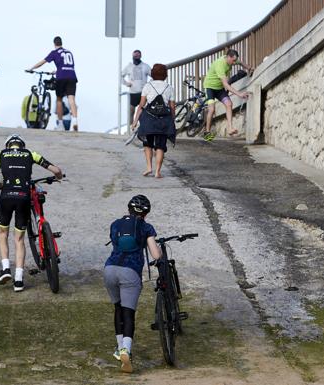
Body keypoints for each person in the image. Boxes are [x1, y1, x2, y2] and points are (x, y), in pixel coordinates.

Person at [0, 134, 63, 292]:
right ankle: (19, 280)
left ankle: (6, 269)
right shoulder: (31, 154)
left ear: (8, 146)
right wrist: (58, 176)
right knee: (19, 239)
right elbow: (56, 170)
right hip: (24, 196)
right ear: (22, 145)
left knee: (2, 234)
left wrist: (2, 185)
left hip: (7, 196)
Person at [104, 195, 161, 373]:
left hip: (110, 269)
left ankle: (119, 348)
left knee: (118, 309)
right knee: (129, 313)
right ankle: (126, 350)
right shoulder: (145, 227)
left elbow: (116, 244)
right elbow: (155, 255)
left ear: (128, 209)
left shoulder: (115, 224)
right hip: (130, 272)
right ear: (146, 213)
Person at [131, 64, 176, 179]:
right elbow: (172, 107)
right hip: (163, 120)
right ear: (165, 75)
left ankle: (149, 167)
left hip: (148, 119)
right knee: (160, 146)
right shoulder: (169, 88)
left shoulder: (147, 86)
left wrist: (135, 121)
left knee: (147, 144)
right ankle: (157, 172)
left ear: (153, 74)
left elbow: (141, 105)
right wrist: (172, 120)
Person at [26, 36, 79, 131]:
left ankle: (60, 124)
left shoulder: (54, 53)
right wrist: (56, 71)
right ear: (61, 43)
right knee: (71, 99)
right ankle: (75, 122)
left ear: (54, 44)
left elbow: (42, 62)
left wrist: (32, 68)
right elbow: (66, 65)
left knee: (59, 100)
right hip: (72, 76)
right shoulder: (69, 52)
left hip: (61, 77)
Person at [202, 49, 252, 141]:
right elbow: (226, 85)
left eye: (234, 60)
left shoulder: (232, 59)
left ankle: (230, 128)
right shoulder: (220, 64)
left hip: (219, 89)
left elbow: (240, 62)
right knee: (212, 109)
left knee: (229, 104)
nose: (233, 63)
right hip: (210, 88)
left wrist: (248, 67)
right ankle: (207, 132)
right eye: (233, 60)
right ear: (228, 57)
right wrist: (239, 94)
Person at [122, 50, 151, 126]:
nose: (136, 57)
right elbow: (120, 76)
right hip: (133, 93)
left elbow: (154, 76)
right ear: (132, 56)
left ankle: (143, 128)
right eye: (135, 56)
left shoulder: (145, 66)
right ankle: (131, 127)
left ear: (140, 56)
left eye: (138, 56)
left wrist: (149, 84)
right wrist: (126, 83)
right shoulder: (129, 66)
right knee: (131, 111)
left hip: (143, 93)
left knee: (143, 111)